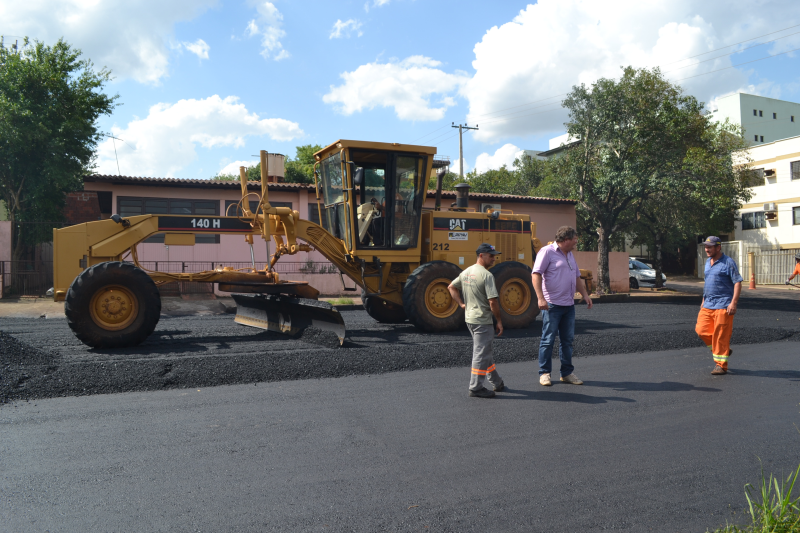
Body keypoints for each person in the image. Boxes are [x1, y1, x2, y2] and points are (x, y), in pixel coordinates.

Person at [532, 226, 593, 386]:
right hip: (552, 305)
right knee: (548, 340)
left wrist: (585, 295)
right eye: (574, 239)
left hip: (568, 305)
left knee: (567, 341)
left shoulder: (570, 254)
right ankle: (544, 373)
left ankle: (566, 373)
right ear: (566, 239)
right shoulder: (546, 252)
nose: (576, 242)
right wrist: (540, 298)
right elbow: (536, 274)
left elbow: (576, 276)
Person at [448, 243, 505, 398]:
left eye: (494, 256)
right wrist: (499, 321)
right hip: (482, 321)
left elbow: (451, 287)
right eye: (491, 256)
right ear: (481, 255)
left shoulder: (467, 272)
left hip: (470, 319)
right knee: (480, 354)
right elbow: (493, 302)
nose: (494, 259)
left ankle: (497, 382)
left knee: (485, 351)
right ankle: (475, 387)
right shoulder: (487, 275)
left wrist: (461, 304)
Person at [695, 236, 742, 375]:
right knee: (701, 331)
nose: (706, 249)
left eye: (710, 247)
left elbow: (737, 282)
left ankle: (721, 365)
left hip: (724, 305)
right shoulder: (707, 262)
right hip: (708, 304)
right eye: (706, 247)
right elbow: (708, 282)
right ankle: (722, 349)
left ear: (718, 247)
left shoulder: (728, 262)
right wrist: (703, 300)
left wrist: (733, 303)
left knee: (721, 336)